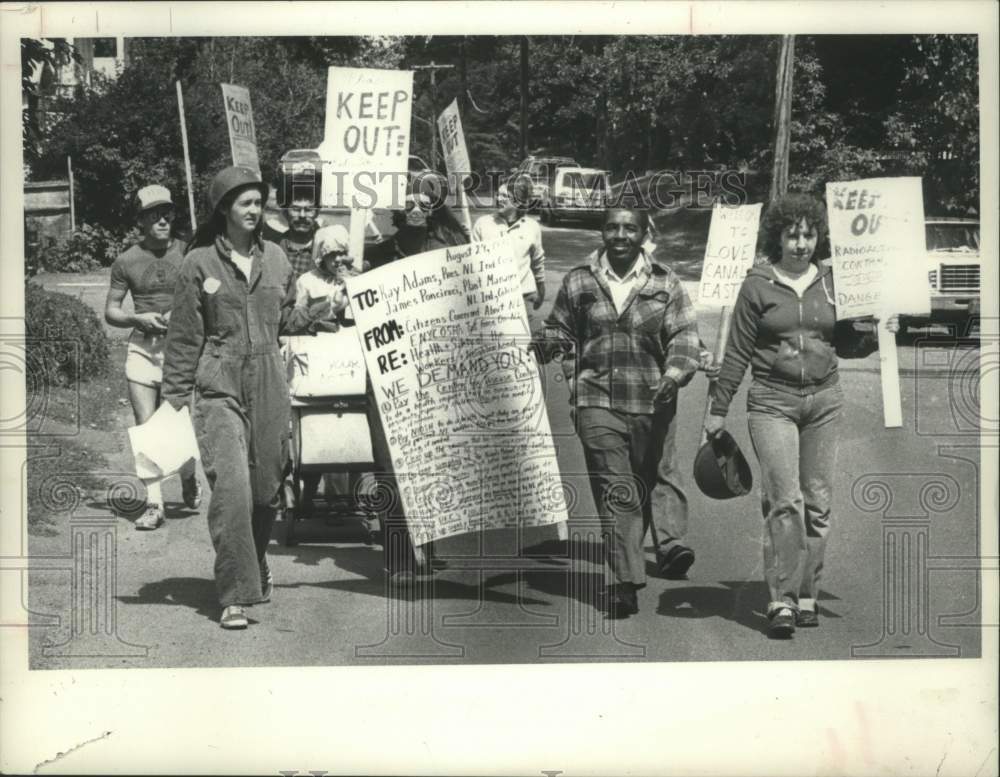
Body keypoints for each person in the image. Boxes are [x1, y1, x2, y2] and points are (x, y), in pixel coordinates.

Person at [704, 192, 899, 639]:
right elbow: (736, 353)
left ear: (819, 236)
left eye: (809, 234)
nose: (801, 243)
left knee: (818, 503)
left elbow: (845, 343)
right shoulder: (757, 285)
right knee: (785, 500)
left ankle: (808, 592)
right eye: (792, 235)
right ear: (778, 237)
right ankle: (782, 599)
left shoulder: (833, 283)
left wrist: (878, 332)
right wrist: (718, 410)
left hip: (824, 402)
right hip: (772, 401)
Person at [162, 165, 317, 630]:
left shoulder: (278, 260)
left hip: (270, 379)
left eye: (259, 202)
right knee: (232, 488)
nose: (256, 210)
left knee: (267, 488)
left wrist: (320, 312)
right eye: (246, 202)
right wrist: (172, 399)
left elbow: (286, 318)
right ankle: (234, 594)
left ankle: (255, 560)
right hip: (218, 382)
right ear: (225, 209)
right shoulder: (199, 263)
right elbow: (185, 337)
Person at [534, 206, 702, 618]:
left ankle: (668, 542)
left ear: (645, 234)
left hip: (654, 399)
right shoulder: (578, 280)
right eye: (612, 226)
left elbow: (684, 335)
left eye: (630, 228)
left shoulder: (666, 281)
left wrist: (675, 373)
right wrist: (547, 342)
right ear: (602, 232)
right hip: (596, 400)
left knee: (653, 476)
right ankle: (624, 581)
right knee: (617, 490)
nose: (621, 234)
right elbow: (561, 329)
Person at [363, 189, 470, 586]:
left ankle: (430, 540)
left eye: (424, 201)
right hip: (388, 371)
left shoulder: (448, 247)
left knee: (431, 461)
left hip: (434, 371)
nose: (416, 208)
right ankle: (398, 555)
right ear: (394, 209)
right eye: (407, 201)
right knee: (390, 465)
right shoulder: (376, 255)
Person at [104, 184, 201, 530]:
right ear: (141, 219)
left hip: (181, 349)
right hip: (143, 348)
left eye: (167, 213)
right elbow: (111, 311)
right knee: (146, 427)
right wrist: (136, 318)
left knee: (177, 423)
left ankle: (189, 472)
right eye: (153, 214)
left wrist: (186, 314)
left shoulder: (190, 252)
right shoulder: (127, 260)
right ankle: (154, 505)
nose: (162, 220)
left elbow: (210, 290)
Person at [472, 176, 546, 321]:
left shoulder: (532, 227)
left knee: (521, 343)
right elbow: (471, 263)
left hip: (523, 297)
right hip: (490, 298)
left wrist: (541, 290)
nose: (499, 198)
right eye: (498, 194)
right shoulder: (482, 224)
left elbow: (538, 261)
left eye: (505, 196)